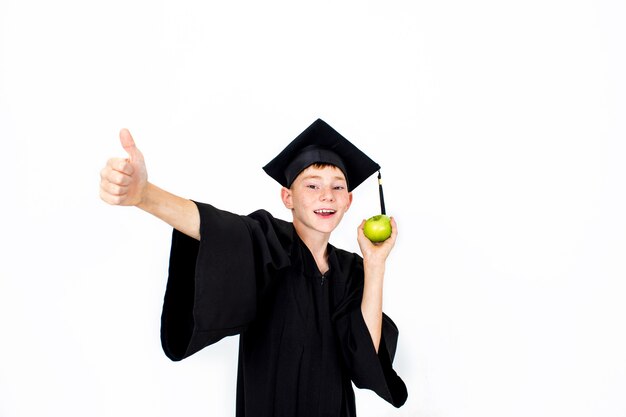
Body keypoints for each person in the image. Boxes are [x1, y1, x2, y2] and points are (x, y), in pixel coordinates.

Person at [99, 118, 408, 416]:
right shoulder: (267, 241)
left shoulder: (352, 269)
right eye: (312, 186)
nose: (327, 195)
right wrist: (144, 195)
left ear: (349, 200)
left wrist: (375, 264)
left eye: (337, 187)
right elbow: (212, 226)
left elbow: (364, 357)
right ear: (287, 197)